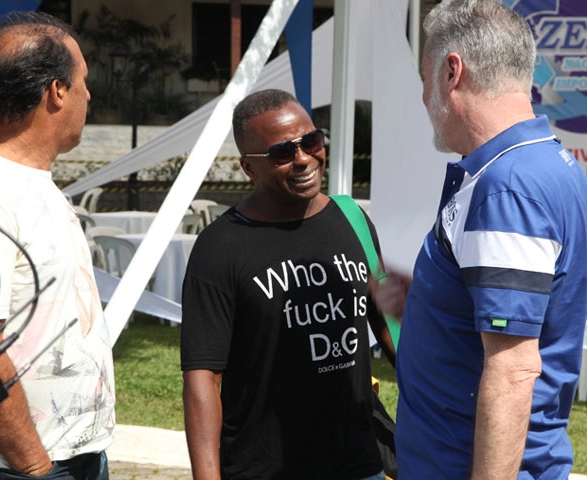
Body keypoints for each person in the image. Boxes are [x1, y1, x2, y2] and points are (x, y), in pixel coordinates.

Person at [374, 0, 587, 478]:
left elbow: (512, 371)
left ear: (452, 72)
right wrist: (431, 302)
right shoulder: (541, 165)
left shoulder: (508, 186)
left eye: (424, 76)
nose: (423, 94)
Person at [181, 88, 395, 480]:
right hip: (264, 468)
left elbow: (388, 328)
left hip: (359, 464)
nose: (303, 159)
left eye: (311, 141)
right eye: (282, 153)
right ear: (249, 168)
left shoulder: (354, 220)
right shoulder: (220, 247)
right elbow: (202, 378)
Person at [0, 11, 115, 479]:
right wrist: (35, 465)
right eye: (83, 81)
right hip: (21, 467)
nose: (89, 94)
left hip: (72, 459)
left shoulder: (32, 183)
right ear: (56, 92)